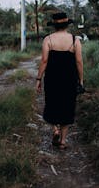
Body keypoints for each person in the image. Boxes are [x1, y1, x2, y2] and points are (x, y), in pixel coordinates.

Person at [35, 12, 84, 150]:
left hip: (52, 79)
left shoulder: (48, 40)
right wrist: (81, 80)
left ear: (54, 25)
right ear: (67, 25)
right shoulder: (75, 40)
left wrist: (39, 79)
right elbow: (79, 62)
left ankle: (55, 129)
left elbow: (44, 61)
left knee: (52, 103)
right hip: (69, 79)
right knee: (67, 106)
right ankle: (63, 141)